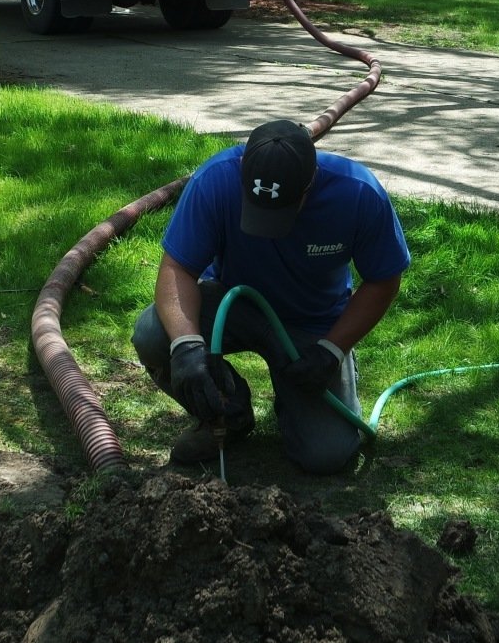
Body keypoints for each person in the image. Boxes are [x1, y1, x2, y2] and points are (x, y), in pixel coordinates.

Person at [132, 118, 410, 474]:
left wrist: (332, 349)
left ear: (309, 186)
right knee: (154, 334)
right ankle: (227, 413)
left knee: (325, 456)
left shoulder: (358, 193)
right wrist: (187, 346)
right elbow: (177, 269)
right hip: (230, 305)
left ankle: (298, 399)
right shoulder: (216, 179)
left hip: (312, 325)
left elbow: (383, 281)